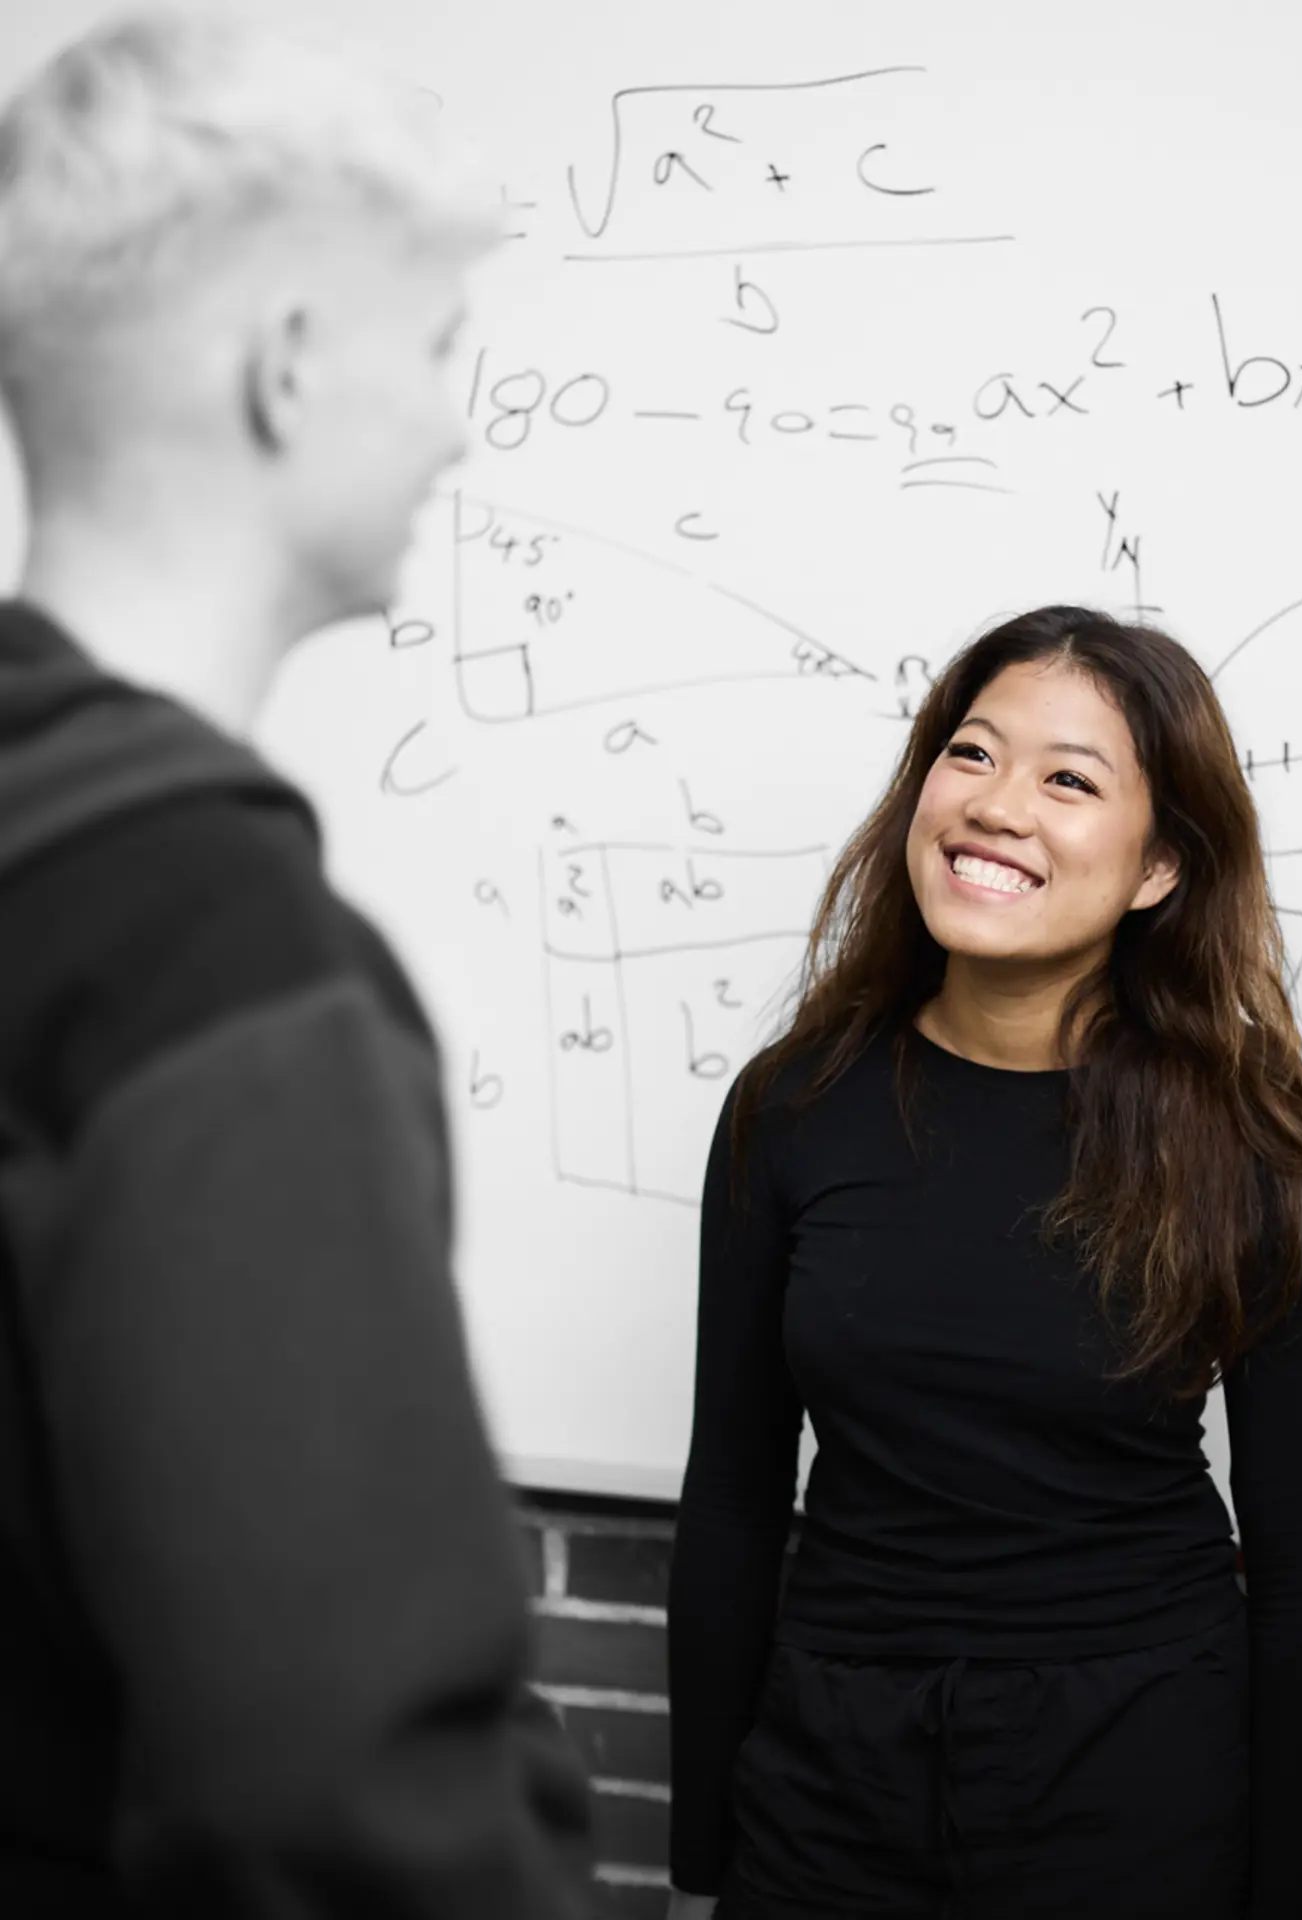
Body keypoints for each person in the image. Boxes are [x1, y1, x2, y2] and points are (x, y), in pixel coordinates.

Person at [0, 13, 592, 1915]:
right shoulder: (212, 949)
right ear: (288, 368)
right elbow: (333, 1797)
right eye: (434, 347)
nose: (453, 420)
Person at [665, 606, 1302, 1920]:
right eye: (972, 755)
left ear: (1160, 866)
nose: (997, 808)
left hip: (1136, 1779)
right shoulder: (794, 1105)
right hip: (827, 1781)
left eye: (1069, 780)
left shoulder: (1248, 1140)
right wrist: (701, 1864)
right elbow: (736, 1505)